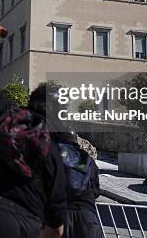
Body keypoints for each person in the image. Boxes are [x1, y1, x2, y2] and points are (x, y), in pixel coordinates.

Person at [0, 59, 66, 238]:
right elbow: (57, 227)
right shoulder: (52, 148)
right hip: (27, 225)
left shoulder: (6, 113)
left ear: (31, 101)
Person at [28, 85, 103, 238]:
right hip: (87, 219)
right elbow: (95, 190)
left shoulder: (49, 153)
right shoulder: (84, 158)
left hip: (57, 220)